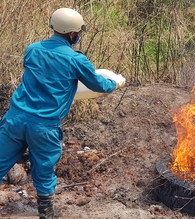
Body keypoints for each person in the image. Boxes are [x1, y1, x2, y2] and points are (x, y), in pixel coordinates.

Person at [0, 8, 120, 219]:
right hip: (43, 126)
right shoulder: (76, 60)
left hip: (15, 118)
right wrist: (114, 83)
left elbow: (42, 75)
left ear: (53, 28)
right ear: (73, 34)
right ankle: (46, 214)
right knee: (44, 170)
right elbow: (97, 84)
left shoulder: (32, 49)